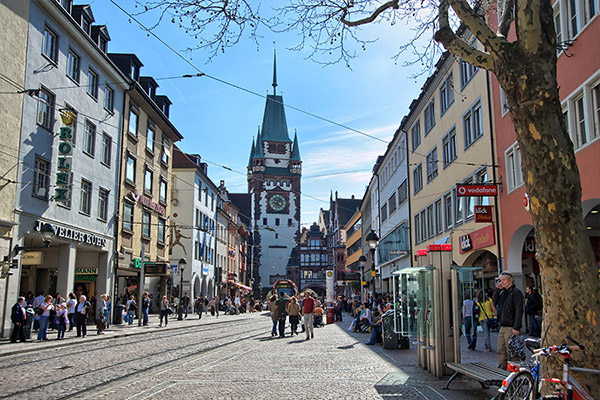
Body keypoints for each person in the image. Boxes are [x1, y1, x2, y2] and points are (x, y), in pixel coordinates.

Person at [493, 272, 524, 370]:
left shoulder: (516, 292)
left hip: (510, 326)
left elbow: (519, 310)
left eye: (504, 280)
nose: (502, 282)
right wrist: (497, 290)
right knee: (501, 350)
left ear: (510, 281)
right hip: (503, 325)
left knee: (511, 351)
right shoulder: (504, 293)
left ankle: (514, 373)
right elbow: (495, 302)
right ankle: (501, 371)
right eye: (501, 280)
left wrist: (516, 327)